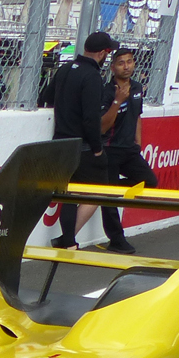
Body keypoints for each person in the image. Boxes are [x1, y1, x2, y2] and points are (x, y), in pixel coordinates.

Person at [49, 31, 120, 249]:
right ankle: (68, 240)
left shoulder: (65, 69)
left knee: (69, 192)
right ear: (102, 53)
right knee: (98, 190)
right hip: (83, 145)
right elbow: (91, 119)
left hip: (60, 142)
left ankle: (68, 240)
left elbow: (46, 97)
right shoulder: (92, 77)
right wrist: (97, 149)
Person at [99, 47, 155, 255]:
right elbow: (102, 126)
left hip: (130, 149)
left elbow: (138, 116)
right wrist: (117, 101)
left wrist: (138, 142)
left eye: (130, 61)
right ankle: (116, 239)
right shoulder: (106, 91)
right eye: (121, 63)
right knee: (109, 199)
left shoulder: (138, 87)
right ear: (113, 67)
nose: (126, 66)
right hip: (110, 148)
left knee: (150, 182)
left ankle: (111, 189)